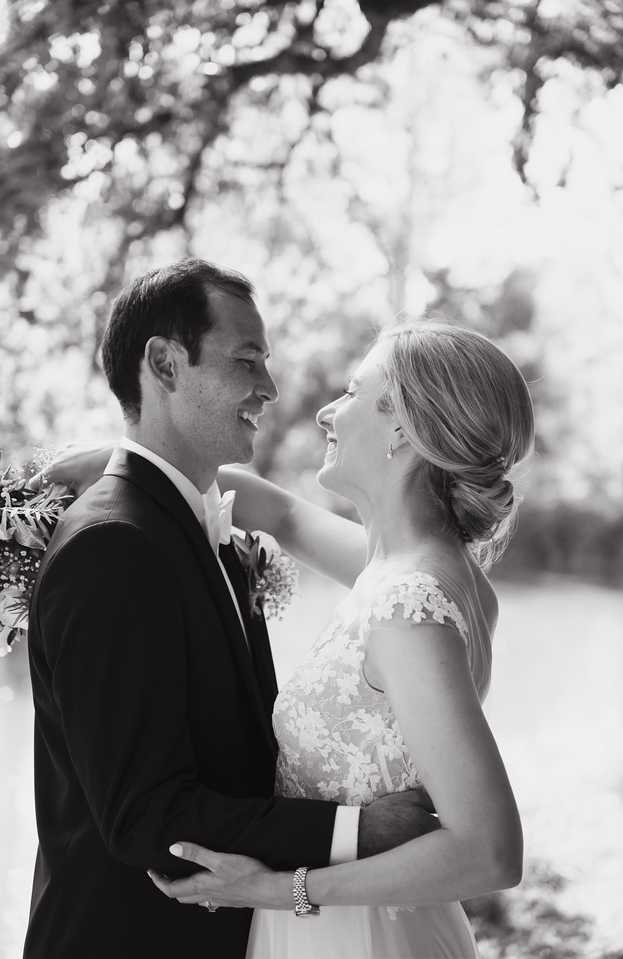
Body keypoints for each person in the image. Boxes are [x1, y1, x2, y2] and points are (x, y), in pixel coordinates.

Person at [23, 259, 438, 959]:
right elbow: (147, 816)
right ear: (164, 363)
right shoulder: (113, 547)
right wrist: (354, 830)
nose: (270, 388)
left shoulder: (194, 521)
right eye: (247, 360)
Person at [144, 320, 534, 958]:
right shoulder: (409, 569)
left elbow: (490, 850)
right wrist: (115, 468)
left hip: (359, 935)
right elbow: (279, 512)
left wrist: (278, 891)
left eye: (352, 392)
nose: (328, 410)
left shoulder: (409, 608)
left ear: (403, 427)